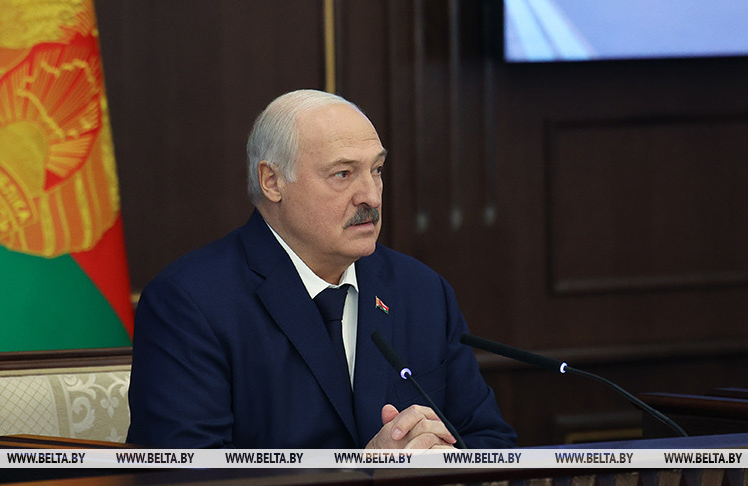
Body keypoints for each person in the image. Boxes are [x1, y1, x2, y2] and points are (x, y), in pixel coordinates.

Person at [127, 89, 517, 449]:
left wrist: (445, 458)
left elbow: (493, 442)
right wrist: (367, 476)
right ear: (272, 182)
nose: (370, 196)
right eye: (343, 174)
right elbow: (186, 474)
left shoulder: (422, 291)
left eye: (377, 170)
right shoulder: (189, 303)